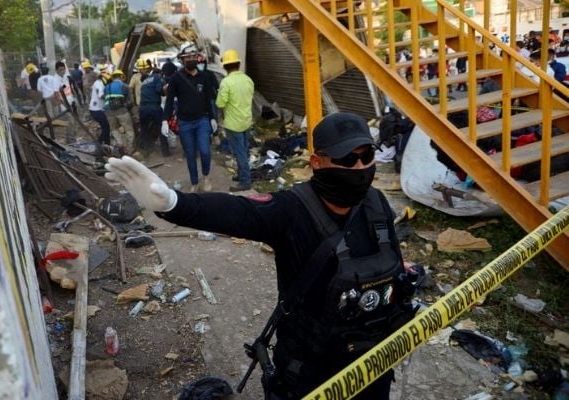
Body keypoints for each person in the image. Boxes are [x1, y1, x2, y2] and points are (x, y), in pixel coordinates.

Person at [104, 112, 417, 399]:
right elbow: (237, 212)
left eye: (367, 156)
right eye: (348, 159)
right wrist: (172, 203)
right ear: (317, 162)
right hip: (311, 372)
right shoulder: (292, 211)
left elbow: (390, 259)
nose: (360, 168)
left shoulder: (376, 205)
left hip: (373, 363)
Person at [162, 41, 218, 192]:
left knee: (205, 151)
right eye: (187, 57)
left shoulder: (204, 77)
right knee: (190, 155)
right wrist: (164, 120)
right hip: (185, 123)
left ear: (197, 57)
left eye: (193, 56)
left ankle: (206, 176)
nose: (190, 59)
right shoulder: (176, 78)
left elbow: (208, 99)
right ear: (182, 59)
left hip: (202, 120)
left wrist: (212, 118)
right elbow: (168, 101)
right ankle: (194, 182)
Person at [215, 49, 254, 192]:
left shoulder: (226, 82)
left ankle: (245, 181)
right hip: (246, 122)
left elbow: (220, 103)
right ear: (238, 64)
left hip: (234, 124)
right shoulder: (247, 79)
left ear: (225, 66)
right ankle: (242, 175)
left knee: (240, 153)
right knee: (243, 150)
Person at [137, 58, 170, 157]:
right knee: (161, 127)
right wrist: (165, 90)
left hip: (142, 108)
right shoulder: (157, 77)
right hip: (154, 107)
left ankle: (146, 149)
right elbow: (159, 90)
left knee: (144, 128)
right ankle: (165, 152)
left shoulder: (145, 81)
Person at [104, 69, 135, 154]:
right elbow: (131, 101)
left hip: (109, 112)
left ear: (113, 77)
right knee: (129, 130)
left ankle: (120, 144)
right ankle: (129, 149)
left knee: (113, 129)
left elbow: (105, 99)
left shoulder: (107, 87)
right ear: (122, 77)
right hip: (122, 111)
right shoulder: (125, 86)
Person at [89, 71, 111, 146]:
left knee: (106, 127)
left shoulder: (98, 83)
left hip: (98, 109)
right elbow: (101, 95)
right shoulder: (99, 83)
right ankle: (99, 144)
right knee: (106, 128)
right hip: (96, 109)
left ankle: (107, 144)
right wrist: (111, 97)